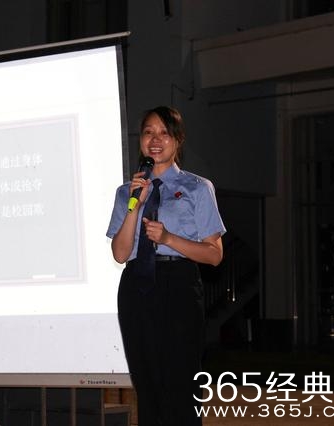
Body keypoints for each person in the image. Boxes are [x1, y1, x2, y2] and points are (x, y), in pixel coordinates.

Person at [106, 106, 226, 425]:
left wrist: (169, 238)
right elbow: (120, 253)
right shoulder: (126, 192)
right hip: (136, 285)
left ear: (178, 139)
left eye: (164, 133)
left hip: (179, 284)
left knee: (180, 384)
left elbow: (214, 255)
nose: (155, 140)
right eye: (148, 132)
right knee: (146, 384)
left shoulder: (198, 187)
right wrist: (136, 204)